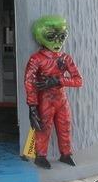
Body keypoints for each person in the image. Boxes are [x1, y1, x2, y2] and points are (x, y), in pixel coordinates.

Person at [24, 15, 83, 169]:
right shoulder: (36, 59)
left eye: (62, 36)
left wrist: (58, 81)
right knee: (43, 127)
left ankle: (66, 153)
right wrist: (32, 106)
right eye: (51, 37)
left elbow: (78, 81)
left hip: (61, 98)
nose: (57, 41)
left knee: (65, 126)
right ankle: (41, 156)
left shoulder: (65, 58)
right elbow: (29, 82)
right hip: (45, 99)